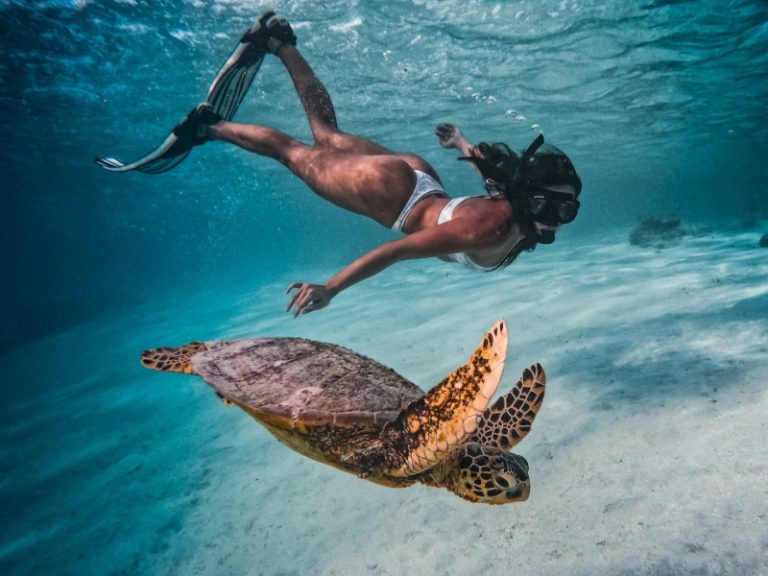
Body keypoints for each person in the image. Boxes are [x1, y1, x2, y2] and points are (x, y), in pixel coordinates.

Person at [178, 12, 582, 317]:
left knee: (327, 134)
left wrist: (460, 141)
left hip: (421, 177)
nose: (555, 220)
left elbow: (495, 176)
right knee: (291, 153)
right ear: (528, 200)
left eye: (567, 210)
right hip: (393, 198)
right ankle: (210, 127)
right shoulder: (491, 230)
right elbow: (400, 251)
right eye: (546, 206)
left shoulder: (516, 203)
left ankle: (280, 41)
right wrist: (332, 288)